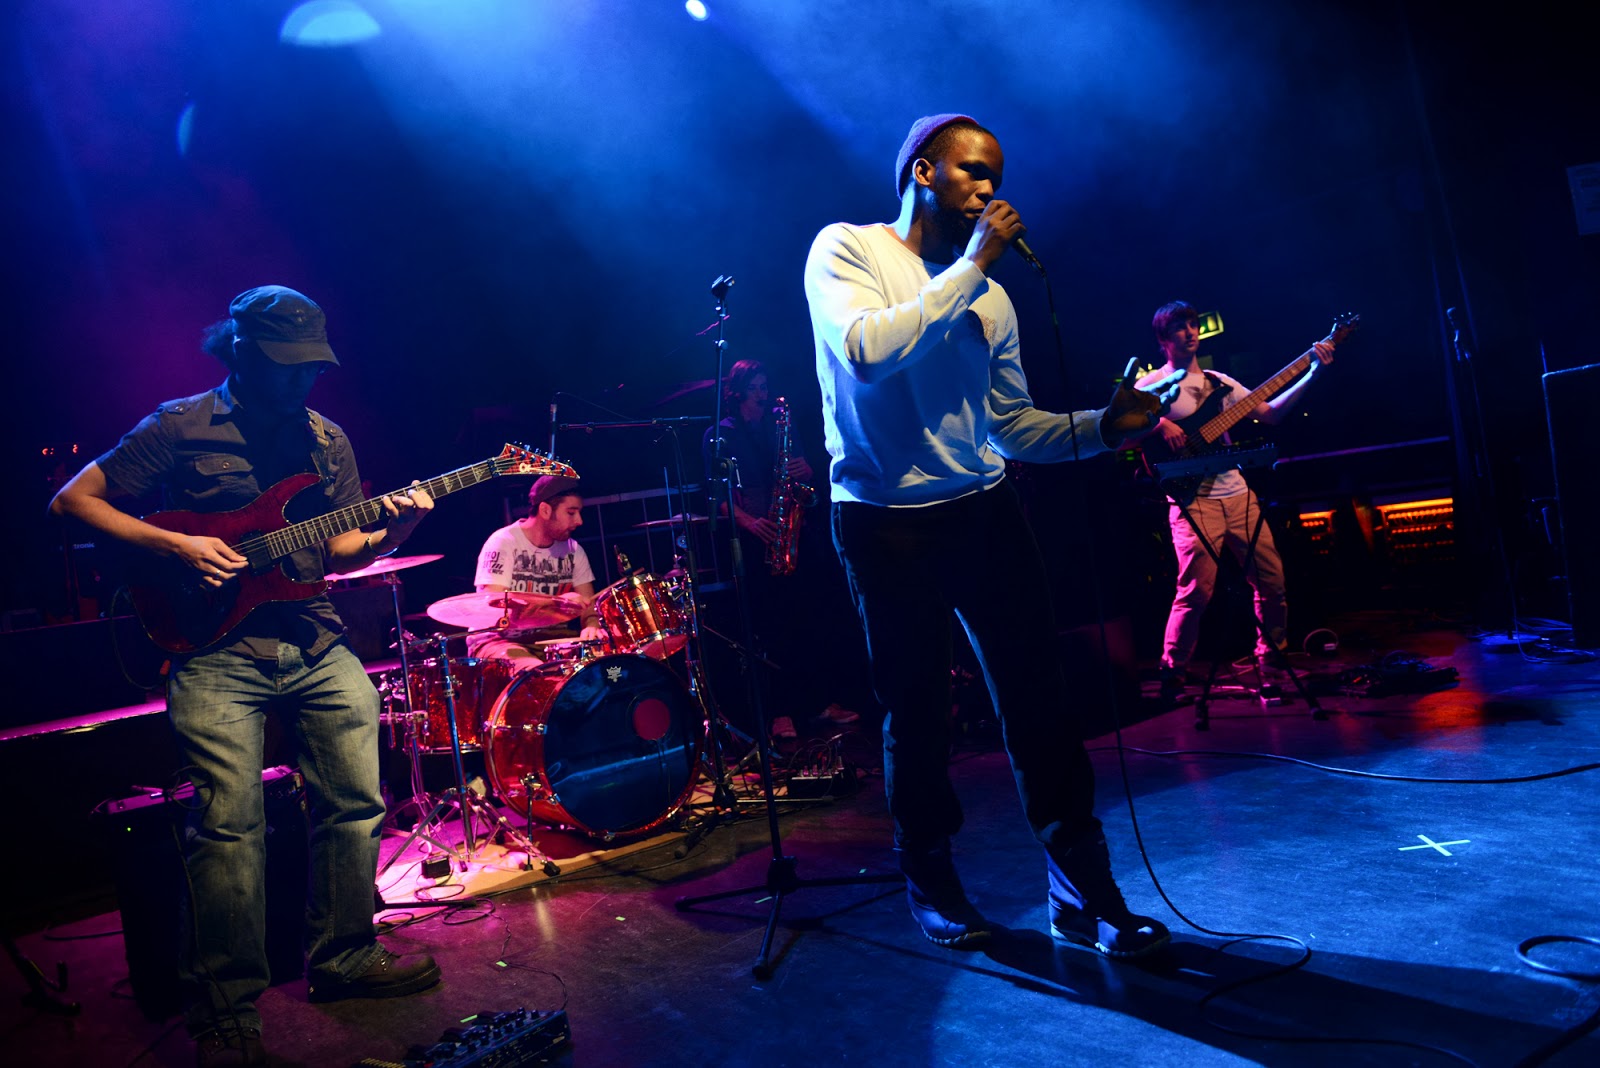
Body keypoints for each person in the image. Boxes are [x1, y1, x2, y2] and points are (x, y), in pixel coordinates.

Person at [804, 114, 1180, 956]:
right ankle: (932, 880)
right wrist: (972, 267)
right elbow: (866, 352)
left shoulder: (995, 297)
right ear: (923, 171)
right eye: (973, 171)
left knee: (1039, 698)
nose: (988, 189)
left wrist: (1103, 428)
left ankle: (1081, 889)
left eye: (996, 177)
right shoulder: (847, 250)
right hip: (882, 520)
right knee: (918, 713)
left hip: (983, 508)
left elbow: (1010, 427)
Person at [49, 286, 441, 1066]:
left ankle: (344, 957)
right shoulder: (180, 425)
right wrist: (178, 547)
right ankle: (224, 1012)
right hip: (214, 651)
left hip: (313, 637)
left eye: (312, 367)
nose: (303, 380)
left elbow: (340, 550)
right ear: (242, 351)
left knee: (358, 802)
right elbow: (73, 501)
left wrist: (398, 526)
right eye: (287, 364)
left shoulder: (326, 439)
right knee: (229, 829)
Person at [1136, 301, 1333, 704]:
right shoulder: (1150, 387)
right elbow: (1119, 432)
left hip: (1238, 495)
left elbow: (1270, 413)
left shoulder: (1219, 382)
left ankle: (1271, 661)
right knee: (1196, 591)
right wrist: (1160, 423)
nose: (1190, 332)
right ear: (1163, 338)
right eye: (1180, 327)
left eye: (1193, 325)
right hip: (1192, 501)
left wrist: (1312, 372)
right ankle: (1173, 671)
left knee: (1272, 582)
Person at [701, 359, 858, 740]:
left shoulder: (780, 423)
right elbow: (716, 498)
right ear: (738, 390)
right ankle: (780, 713)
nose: (762, 393)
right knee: (770, 629)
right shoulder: (719, 435)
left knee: (811, 623)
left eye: (764, 385)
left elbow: (804, 483)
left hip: (792, 533)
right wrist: (751, 523)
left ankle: (818, 702)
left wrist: (807, 472)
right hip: (755, 537)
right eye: (755, 387)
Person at [469, 474, 606, 663]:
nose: (579, 521)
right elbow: (495, 606)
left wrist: (591, 625)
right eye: (571, 513)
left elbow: (588, 607)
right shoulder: (503, 542)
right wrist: (556, 603)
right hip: (499, 640)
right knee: (535, 672)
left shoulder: (574, 550)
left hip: (551, 642)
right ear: (545, 510)